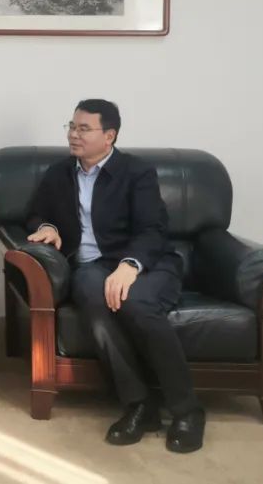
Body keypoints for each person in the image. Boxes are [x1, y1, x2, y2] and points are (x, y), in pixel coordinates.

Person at [24, 99, 205, 453]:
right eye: (71, 127)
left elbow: (153, 229)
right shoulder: (59, 174)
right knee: (92, 297)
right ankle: (139, 405)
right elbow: (34, 213)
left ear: (109, 136)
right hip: (92, 268)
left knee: (135, 303)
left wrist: (129, 265)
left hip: (147, 264)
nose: (73, 135)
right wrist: (48, 227)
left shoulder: (136, 173)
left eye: (84, 129)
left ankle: (187, 410)